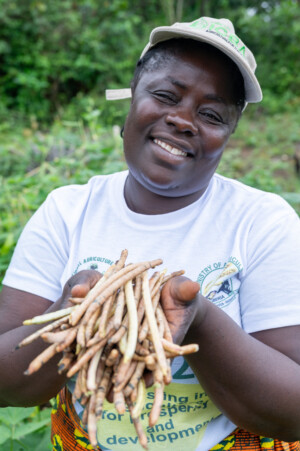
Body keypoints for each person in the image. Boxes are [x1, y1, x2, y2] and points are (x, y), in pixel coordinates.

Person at [0, 16, 300, 451]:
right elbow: (8, 387)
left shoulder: (262, 222)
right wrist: (72, 313)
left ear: (228, 135)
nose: (182, 120)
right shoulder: (66, 211)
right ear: (132, 96)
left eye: (212, 114)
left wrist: (200, 319)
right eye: (165, 95)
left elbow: (292, 414)